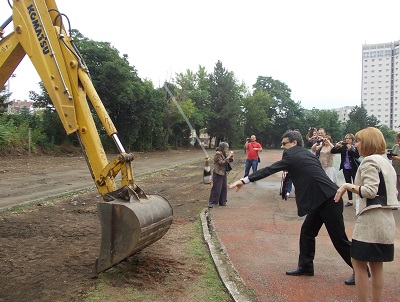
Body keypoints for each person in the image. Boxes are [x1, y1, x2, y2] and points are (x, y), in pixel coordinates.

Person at [229, 130, 354, 284]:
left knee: (339, 239)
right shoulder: (307, 154)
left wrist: (244, 180)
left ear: (294, 143)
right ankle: (306, 267)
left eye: (284, 144)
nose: (282, 147)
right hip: (320, 199)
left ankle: (361, 269)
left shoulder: (293, 156)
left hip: (329, 200)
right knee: (307, 232)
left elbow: (269, 169)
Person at [334, 127, 400, 301]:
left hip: (371, 218)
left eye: (359, 140)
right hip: (386, 218)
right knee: (377, 265)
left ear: (368, 142)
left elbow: (370, 191)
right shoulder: (386, 161)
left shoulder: (369, 161)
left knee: (358, 263)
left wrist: (346, 186)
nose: (356, 144)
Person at [331, 133, 360, 207]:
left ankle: (358, 200)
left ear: (352, 140)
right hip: (345, 168)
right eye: (346, 138)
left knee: (356, 184)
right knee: (348, 183)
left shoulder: (355, 147)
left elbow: (357, 155)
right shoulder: (343, 147)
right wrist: (336, 145)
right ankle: (350, 200)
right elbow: (333, 151)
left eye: (349, 138)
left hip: (354, 167)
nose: (347, 140)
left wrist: (350, 148)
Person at [208, 142, 234, 208]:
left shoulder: (223, 153)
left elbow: (228, 162)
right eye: (226, 148)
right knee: (217, 188)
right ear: (223, 148)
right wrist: (228, 157)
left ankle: (222, 201)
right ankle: (212, 202)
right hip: (218, 173)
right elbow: (222, 163)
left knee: (224, 188)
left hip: (223, 172)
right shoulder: (218, 154)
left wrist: (231, 157)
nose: (227, 149)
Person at [389, 132, 400, 200]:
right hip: (395, 170)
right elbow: (392, 155)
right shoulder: (395, 146)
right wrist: (390, 156)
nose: (399, 142)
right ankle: (396, 202)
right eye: (398, 140)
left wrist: (397, 158)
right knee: (395, 188)